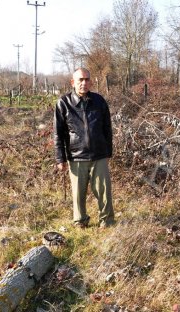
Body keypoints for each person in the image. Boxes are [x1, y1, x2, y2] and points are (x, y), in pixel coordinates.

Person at [54, 68, 115, 228]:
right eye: (80, 80)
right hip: (76, 156)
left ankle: (107, 221)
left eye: (87, 79)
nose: (84, 83)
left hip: (99, 154)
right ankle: (80, 221)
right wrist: (60, 158)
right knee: (78, 193)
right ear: (73, 82)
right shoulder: (64, 103)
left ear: (91, 82)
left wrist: (108, 151)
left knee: (104, 192)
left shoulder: (99, 101)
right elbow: (58, 133)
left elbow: (107, 128)